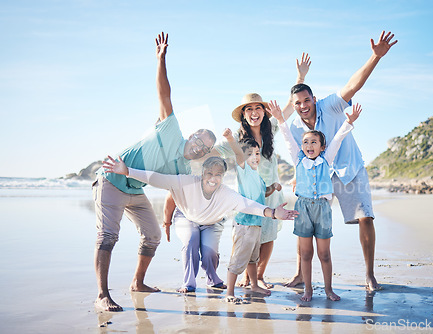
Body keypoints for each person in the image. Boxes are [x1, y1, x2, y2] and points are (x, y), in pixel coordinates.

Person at [92, 32, 216, 312]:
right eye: (199, 140)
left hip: (135, 190)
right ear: (193, 133)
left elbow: (176, 192)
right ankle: (102, 295)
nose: (199, 148)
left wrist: (169, 220)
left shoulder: (184, 167)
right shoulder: (171, 129)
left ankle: (137, 282)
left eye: (205, 148)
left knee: (153, 235)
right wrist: (161, 60)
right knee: (108, 236)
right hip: (111, 180)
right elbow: (164, 93)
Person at [282, 31, 398, 292]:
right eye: (297, 103)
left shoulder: (331, 105)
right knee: (307, 222)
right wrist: (296, 176)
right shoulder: (295, 127)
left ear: (314, 98)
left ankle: (369, 275)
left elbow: (353, 85)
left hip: (349, 169)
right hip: (318, 177)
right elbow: (299, 155)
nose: (303, 106)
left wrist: (374, 57)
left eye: (306, 100)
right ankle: (300, 273)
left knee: (365, 216)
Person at [102, 156, 299, 294]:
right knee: (191, 241)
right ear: (203, 172)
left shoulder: (225, 193)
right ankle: (189, 283)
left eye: (218, 174)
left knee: (208, 253)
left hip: (212, 223)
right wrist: (127, 171)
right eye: (209, 173)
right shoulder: (185, 182)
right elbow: (156, 178)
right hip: (186, 217)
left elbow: (247, 205)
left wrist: (273, 213)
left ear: (222, 176)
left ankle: (213, 278)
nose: (213, 178)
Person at [268, 100, 361, 301]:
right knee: (306, 253)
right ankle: (308, 289)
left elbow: (337, 139)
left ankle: (328, 289)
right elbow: (286, 139)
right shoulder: (298, 158)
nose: (309, 146)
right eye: (306, 142)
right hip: (303, 209)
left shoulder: (326, 159)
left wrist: (349, 122)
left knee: (324, 254)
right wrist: (280, 119)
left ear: (321, 147)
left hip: (323, 209)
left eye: (314, 142)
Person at [221, 128, 282, 302]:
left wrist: (273, 187)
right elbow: (239, 155)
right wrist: (231, 138)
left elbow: (264, 192)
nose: (255, 157)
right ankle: (230, 292)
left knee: (253, 259)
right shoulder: (245, 171)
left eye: (257, 153)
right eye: (250, 154)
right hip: (244, 225)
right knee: (238, 259)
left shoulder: (258, 177)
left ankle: (254, 284)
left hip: (256, 225)